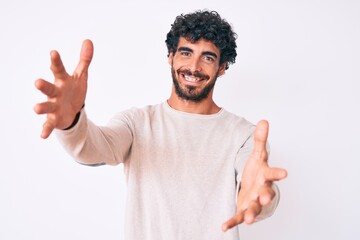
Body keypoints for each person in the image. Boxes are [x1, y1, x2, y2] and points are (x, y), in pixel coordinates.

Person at [34, 10, 287, 240]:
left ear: (222, 68)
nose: (194, 67)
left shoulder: (243, 134)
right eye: (186, 52)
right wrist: (73, 121)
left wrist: (260, 194)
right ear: (170, 56)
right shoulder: (137, 123)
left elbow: (256, 187)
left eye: (207, 58)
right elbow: (92, 148)